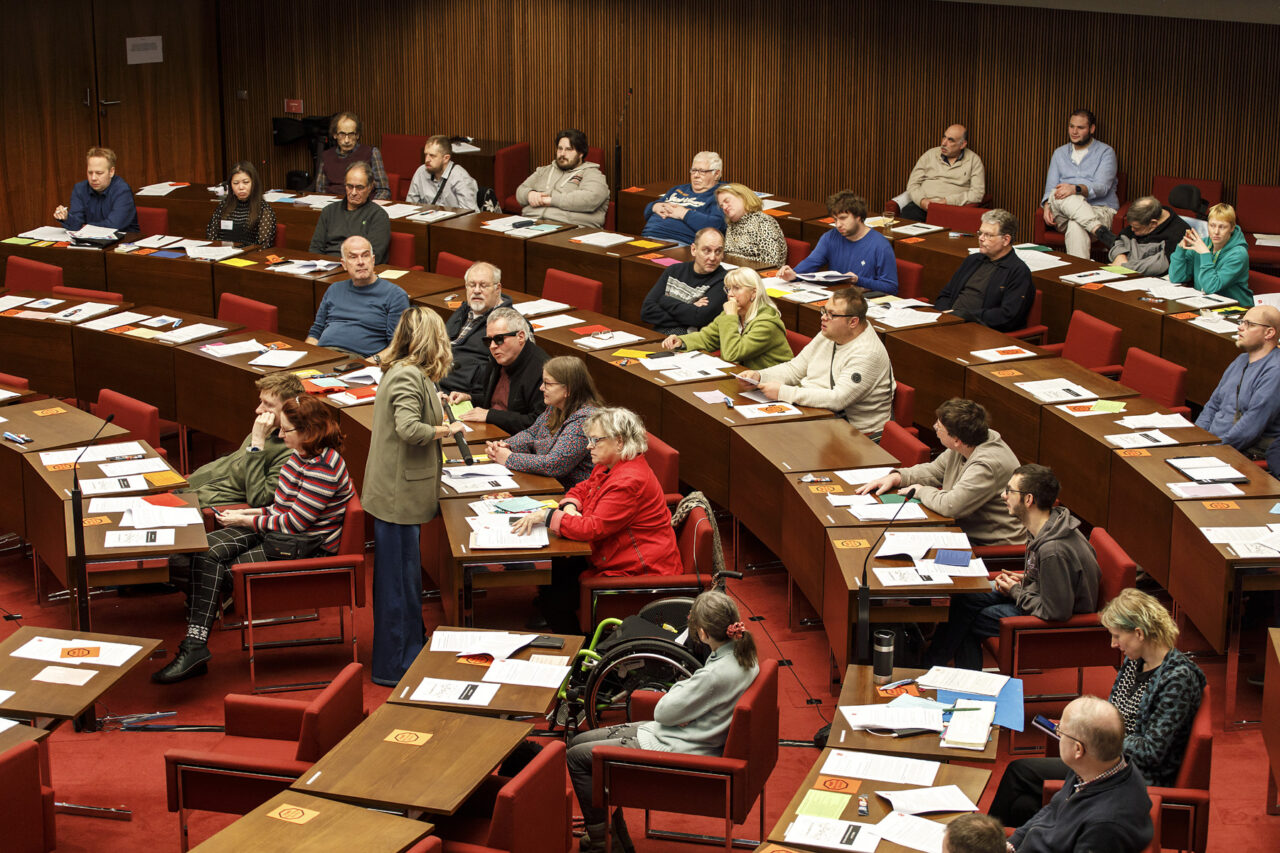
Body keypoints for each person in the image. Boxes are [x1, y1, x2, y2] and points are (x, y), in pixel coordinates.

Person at [152, 395, 353, 683]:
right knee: (199, 555)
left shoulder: (325, 467)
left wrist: (246, 519)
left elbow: (294, 523)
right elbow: (279, 508)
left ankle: (193, 647)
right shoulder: (300, 455)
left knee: (214, 570)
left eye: (286, 430)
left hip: (303, 547)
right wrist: (248, 512)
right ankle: (195, 648)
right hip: (278, 533)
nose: (280, 434)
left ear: (309, 431)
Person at [990, 588, 1206, 828]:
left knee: (1020, 772)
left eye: (1116, 636)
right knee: (1024, 806)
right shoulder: (1135, 661)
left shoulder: (1178, 679)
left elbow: (1152, 752)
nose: (1113, 644)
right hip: (1107, 758)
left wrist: (1093, 736)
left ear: (1139, 633)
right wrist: (1082, 726)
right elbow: (1112, 713)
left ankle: (978, 844)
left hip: (1134, 776)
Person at [564, 589, 759, 853]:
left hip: (680, 749)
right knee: (578, 741)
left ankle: (602, 842)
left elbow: (663, 711)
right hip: (686, 734)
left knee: (576, 757)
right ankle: (613, 835)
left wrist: (678, 690)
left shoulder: (715, 674)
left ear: (702, 633)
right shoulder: (744, 656)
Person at [362, 307, 466, 686]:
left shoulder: (406, 372)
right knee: (398, 585)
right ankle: (396, 665)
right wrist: (445, 428)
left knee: (404, 582)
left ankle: (409, 650)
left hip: (398, 494)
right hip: (397, 497)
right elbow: (409, 429)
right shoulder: (407, 375)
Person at [512, 407, 682, 632]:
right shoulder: (610, 464)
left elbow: (592, 528)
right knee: (556, 571)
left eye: (595, 440)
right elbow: (584, 487)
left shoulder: (629, 481)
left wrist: (548, 515)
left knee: (555, 597)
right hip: (611, 554)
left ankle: (580, 656)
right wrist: (570, 504)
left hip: (637, 572)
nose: (588, 446)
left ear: (619, 442)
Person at [924, 464, 1100, 669]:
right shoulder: (1046, 525)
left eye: (1009, 490)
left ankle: (956, 680)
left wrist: (1016, 591)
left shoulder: (1053, 550)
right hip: (1037, 594)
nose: (1003, 495)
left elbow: (1056, 612)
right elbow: (1052, 580)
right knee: (966, 597)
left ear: (1028, 500)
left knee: (970, 621)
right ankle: (932, 663)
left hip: (1055, 622)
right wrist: (1024, 579)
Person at [859, 399, 1023, 545]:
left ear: (957, 440)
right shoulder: (968, 441)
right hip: (961, 529)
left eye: (939, 427)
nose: (935, 428)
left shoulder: (987, 464)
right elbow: (935, 470)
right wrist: (897, 477)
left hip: (989, 544)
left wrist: (922, 491)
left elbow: (951, 505)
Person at [738, 287, 894, 436]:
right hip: (819, 413)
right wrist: (759, 376)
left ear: (853, 322)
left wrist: (783, 392)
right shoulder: (830, 333)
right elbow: (795, 368)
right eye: (824, 310)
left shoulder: (867, 353)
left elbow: (838, 399)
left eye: (831, 314)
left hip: (856, 433)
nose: (823, 317)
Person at [1007, 696, 1154, 853]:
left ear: (1078, 749)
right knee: (1022, 804)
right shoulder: (1093, 768)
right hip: (1040, 841)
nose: (1058, 735)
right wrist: (1013, 843)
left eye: (1060, 731)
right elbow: (1054, 808)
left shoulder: (1105, 827)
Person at [186, 372, 302, 510]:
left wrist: (257, 444)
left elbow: (259, 499)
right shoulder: (269, 427)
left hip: (205, 498)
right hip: (193, 484)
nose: (258, 410)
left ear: (290, 409)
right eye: (261, 401)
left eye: (268, 404)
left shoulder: (291, 452)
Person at [487, 355, 603, 490]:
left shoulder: (585, 420)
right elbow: (531, 433)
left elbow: (554, 464)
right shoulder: (555, 407)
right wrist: (505, 446)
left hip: (573, 494)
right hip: (548, 483)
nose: (541, 388)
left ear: (568, 389)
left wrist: (510, 458)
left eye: (547, 383)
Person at [662, 267, 792, 370]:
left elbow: (732, 354)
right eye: (728, 289)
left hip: (774, 385)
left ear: (754, 292)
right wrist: (681, 341)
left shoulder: (766, 323)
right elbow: (708, 338)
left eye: (736, 288)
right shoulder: (732, 313)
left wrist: (731, 317)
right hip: (746, 379)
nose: (730, 294)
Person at [444, 307, 549, 434]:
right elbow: (496, 400)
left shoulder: (541, 370)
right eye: (488, 340)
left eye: (499, 339)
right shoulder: (497, 359)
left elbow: (537, 423)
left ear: (520, 336)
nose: (493, 346)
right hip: (491, 429)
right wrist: (470, 397)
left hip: (514, 440)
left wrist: (490, 415)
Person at [1196, 304, 1280, 458]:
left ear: (1269, 332)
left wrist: (1213, 448)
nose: (1241, 327)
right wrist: (1195, 437)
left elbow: (1250, 428)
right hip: (1211, 444)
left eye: (1249, 324)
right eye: (1242, 322)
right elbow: (1213, 405)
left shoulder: (1275, 371)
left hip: (1239, 452)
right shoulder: (1241, 360)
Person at [306, 236, 409, 361]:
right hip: (324, 354)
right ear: (344, 264)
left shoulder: (395, 295)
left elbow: (396, 346)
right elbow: (315, 333)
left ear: (373, 260)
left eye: (365, 255)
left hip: (358, 360)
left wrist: (367, 364)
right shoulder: (334, 289)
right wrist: (308, 358)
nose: (360, 262)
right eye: (353, 257)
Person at [933, 209, 1033, 333]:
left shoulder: (1018, 271)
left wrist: (965, 316)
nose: (981, 238)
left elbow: (1007, 316)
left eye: (988, 235)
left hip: (981, 331)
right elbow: (946, 294)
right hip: (949, 322)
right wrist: (943, 314)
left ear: (1006, 240)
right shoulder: (973, 260)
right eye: (980, 233)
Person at [778, 192, 897, 294]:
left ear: (859, 217)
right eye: (835, 219)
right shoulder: (830, 237)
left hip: (864, 301)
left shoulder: (880, 245)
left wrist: (858, 280)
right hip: (836, 297)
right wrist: (793, 274)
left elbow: (891, 287)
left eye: (843, 218)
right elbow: (811, 263)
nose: (838, 224)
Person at [1040, 110, 1119, 259]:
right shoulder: (1059, 153)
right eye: (1071, 126)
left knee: (1076, 225)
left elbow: (1102, 188)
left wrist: (1075, 189)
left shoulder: (1106, 152)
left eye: (1080, 128)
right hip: (1063, 212)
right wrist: (1047, 206)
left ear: (1092, 129)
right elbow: (1051, 188)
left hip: (1099, 210)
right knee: (1056, 193)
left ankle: (1077, 275)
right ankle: (1098, 229)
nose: (1074, 132)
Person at [440, 261, 514, 394]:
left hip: (460, 393)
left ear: (498, 289)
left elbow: (506, 376)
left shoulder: (508, 323)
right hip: (437, 380)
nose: (477, 290)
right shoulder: (464, 310)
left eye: (483, 285)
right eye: (472, 285)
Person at [641, 228, 729, 335]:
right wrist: (689, 307)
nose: (712, 257)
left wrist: (665, 300)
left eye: (718, 251)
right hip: (658, 335)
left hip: (689, 341)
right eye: (706, 250)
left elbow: (699, 318)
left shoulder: (724, 280)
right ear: (693, 250)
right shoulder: (674, 270)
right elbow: (647, 311)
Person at [515, 129, 609, 227]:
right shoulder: (544, 171)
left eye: (569, 149)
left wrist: (551, 200)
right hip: (531, 224)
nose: (562, 154)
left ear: (581, 153)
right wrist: (529, 194)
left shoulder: (592, 174)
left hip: (570, 228)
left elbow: (590, 199)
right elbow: (520, 191)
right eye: (560, 149)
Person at [1169, 202, 1253, 307]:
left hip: (1236, 309)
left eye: (1222, 227)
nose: (1216, 232)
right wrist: (1180, 249)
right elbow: (1177, 278)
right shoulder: (1202, 244)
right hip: (1206, 304)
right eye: (1212, 226)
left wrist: (1205, 254)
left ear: (1232, 228)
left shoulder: (1239, 254)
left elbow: (1211, 287)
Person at [309, 161, 391, 262]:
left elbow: (374, 256)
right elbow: (315, 249)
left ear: (370, 187)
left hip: (359, 270)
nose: (353, 192)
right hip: (326, 268)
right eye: (350, 186)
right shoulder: (329, 211)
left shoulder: (378, 215)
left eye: (359, 188)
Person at [900, 124, 986, 222]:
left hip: (952, 208)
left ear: (962, 144)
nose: (944, 143)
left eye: (951, 140)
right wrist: (922, 201)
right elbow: (912, 184)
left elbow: (977, 194)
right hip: (923, 207)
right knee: (907, 212)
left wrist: (947, 202)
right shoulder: (929, 155)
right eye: (944, 137)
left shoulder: (974, 160)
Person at [641, 152, 727, 245]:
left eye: (702, 171)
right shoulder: (679, 189)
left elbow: (716, 225)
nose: (696, 175)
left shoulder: (720, 194)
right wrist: (655, 206)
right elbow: (647, 212)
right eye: (693, 170)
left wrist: (684, 213)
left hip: (680, 242)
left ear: (716, 174)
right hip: (648, 237)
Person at [53, 146, 139, 232]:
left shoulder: (122, 190)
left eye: (99, 173)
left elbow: (113, 225)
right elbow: (76, 223)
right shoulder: (80, 189)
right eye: (90, 172)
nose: (93, 178)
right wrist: (67, 217)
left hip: (123, 241)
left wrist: (82, 227)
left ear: (111, 172)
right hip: (89, 241)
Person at [315, 112, 390, 199]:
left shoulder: (371, 153)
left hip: (363, 207)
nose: (346, 140)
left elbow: (384, 191)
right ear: (335, 135)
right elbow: (320, 191)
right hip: (333, 208)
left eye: (351, 134)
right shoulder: (326, 156)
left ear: (357, 135)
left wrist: (371, 210)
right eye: (342, 134)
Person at [1107, 196, 1188, 275]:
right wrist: (1120, 255)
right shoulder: (1142, 217)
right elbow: (1120, 239)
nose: (1132, 230)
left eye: (1136, 228)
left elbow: (1158, 266)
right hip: (1125, 270)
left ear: (1153, 223)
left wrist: (1123, 266)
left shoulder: (1179, 234)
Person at [206, 160, 277, 247]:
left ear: (254, 183)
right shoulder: (223, 206)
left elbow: (263, 247)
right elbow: (211, 237)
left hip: (248, 257)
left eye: (246, 182)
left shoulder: (264, 210)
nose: (241, 187)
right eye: (235, 183)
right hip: (222, 256)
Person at [716, 183, 786, 266]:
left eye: (727, 201)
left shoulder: (763, 222)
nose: (724, 207)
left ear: (743, 197)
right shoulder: (732, 225)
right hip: (734, 272)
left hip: (757, 275)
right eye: (721, 206)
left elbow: (770, 262)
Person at [405, 134, 478, 210]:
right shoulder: (421, 172)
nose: (427, 160)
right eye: (426, 154)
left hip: (453, 221)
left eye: (432, 156)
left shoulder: (461, 178)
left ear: (446, 158)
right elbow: (410, 206)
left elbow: (470, 216)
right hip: (426, 220)